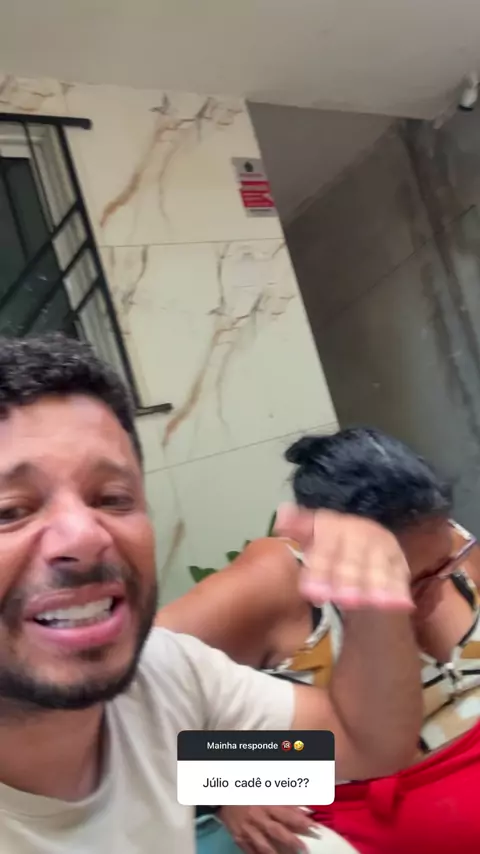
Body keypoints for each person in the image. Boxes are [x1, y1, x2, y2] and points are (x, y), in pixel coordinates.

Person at [0, 336, 421, 854]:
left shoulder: (167, 675)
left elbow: (358, 746)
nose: (86, 536)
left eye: (112, 498)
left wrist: (375, 606)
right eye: (10, 510)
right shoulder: (266, 581)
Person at [158, 428, 480, 854]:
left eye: (440, 568)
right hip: (357, 811)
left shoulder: (446, 542)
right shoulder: (273, 583)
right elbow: (123, 704)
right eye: (400, 584)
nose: (430, 594)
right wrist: (226, 784)